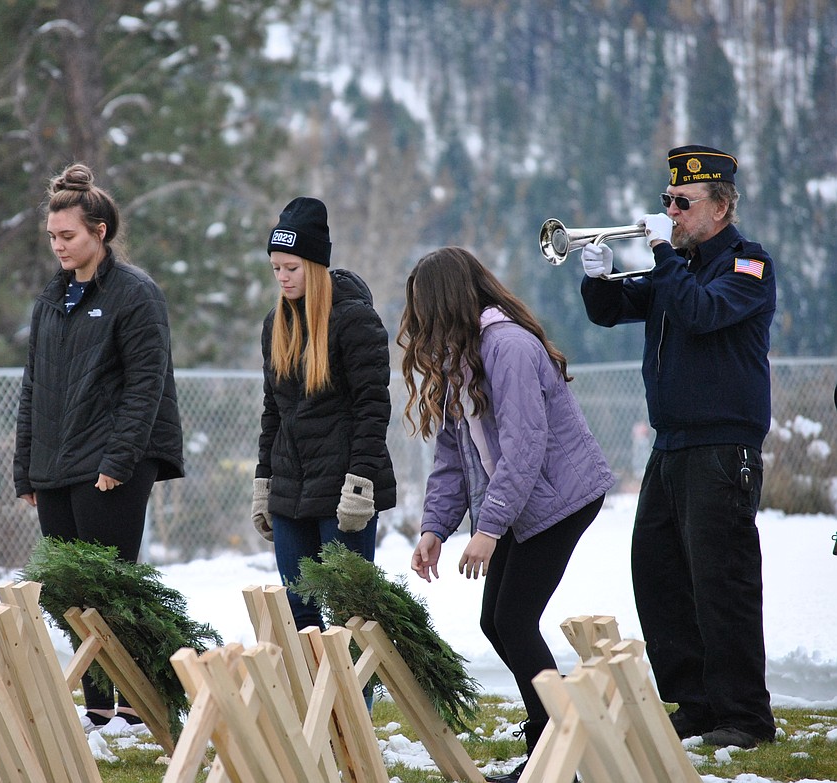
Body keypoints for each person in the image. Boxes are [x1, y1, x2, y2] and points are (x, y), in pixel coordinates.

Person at [580, 145, 777, 749]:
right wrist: (597, 277)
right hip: (671, 445)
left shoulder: (746, 266)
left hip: (722, 445)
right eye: (667, 201)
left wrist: (663, 253)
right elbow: (616, 311)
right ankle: (694, 702)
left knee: (723, 581)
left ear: (719, 208)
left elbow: (700, 315)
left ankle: (744, 714)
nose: (670, 211)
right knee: (660, 575)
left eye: (682, 204)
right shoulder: (680, 269)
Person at [404, 247, 614, 782]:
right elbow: (453, 456)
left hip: (560, 497)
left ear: (446, 301)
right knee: (495, 620)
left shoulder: (508, 347)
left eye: (423, 309)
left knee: (514, 620)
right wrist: (435, 528)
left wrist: (489, 528)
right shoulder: (461, 357)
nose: (418, 322)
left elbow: (526, 448)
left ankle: (557, 754)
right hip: (522, 498)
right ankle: (554, 742)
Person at [14, 162, 184, 733]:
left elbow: (146, 384)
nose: (59, 247)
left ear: (99, 233)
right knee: (71, 591)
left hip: (112, 464)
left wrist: (119, 460)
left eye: (69, 236)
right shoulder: (51, 298)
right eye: (53, 238)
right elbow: (33, 386)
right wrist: (27, 470)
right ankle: (99, 704)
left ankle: (142, 696)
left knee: (114, 586)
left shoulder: (135, 294)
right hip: (56, 465)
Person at [252, 196, 396, 637]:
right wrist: (264, 483)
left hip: (341, 492)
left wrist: (360, 484)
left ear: (314, 265)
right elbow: (272, 411)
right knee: (300, 616)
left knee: (350, 616)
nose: (282, 277)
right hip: (291, 491)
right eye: (276, 268)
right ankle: (316, 706)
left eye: (291, 268)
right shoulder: (274, 324)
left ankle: (355, 707)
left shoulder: (355, 321)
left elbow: (374, 409)